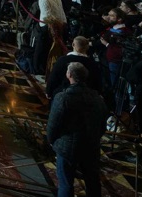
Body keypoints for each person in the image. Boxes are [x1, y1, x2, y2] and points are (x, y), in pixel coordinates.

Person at [47, 62, 107, 197]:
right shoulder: (98, 98)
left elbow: (53, 125)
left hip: (67, 147)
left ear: (69, 75)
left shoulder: (63, 98)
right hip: (91, 146)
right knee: (92, 182)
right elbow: (102, 125)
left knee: (66, 183)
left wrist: (51, 141)